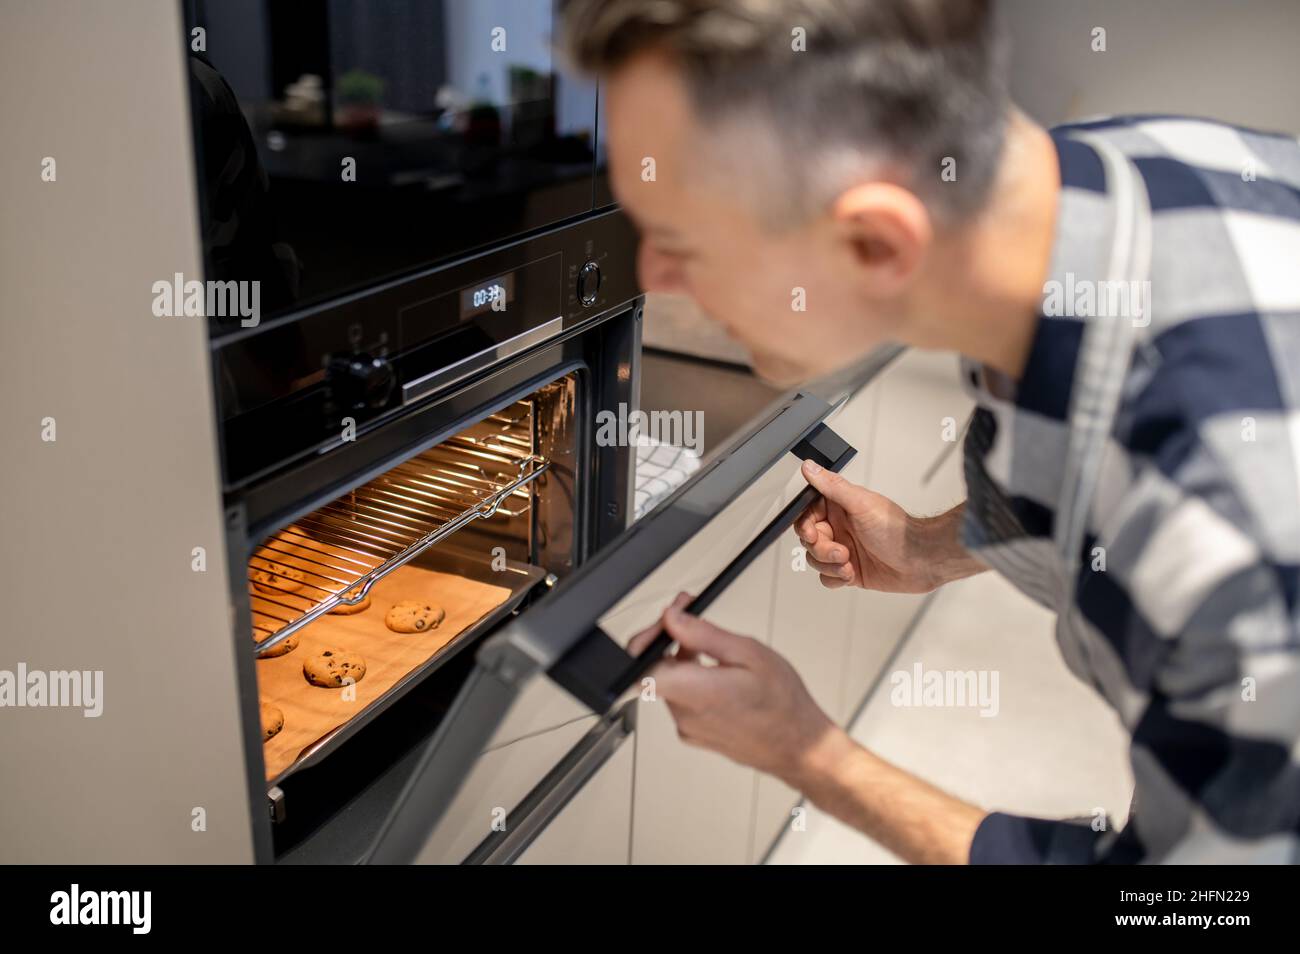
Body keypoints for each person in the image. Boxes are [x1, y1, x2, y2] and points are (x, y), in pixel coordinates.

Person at [559, 0, 1300, 863]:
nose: (651, 275)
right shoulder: (1123, 174)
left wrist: (811, 755)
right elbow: (1078, 449)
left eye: (681, 242)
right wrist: (924, 548)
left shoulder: (1234, 527)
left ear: (874, 245)